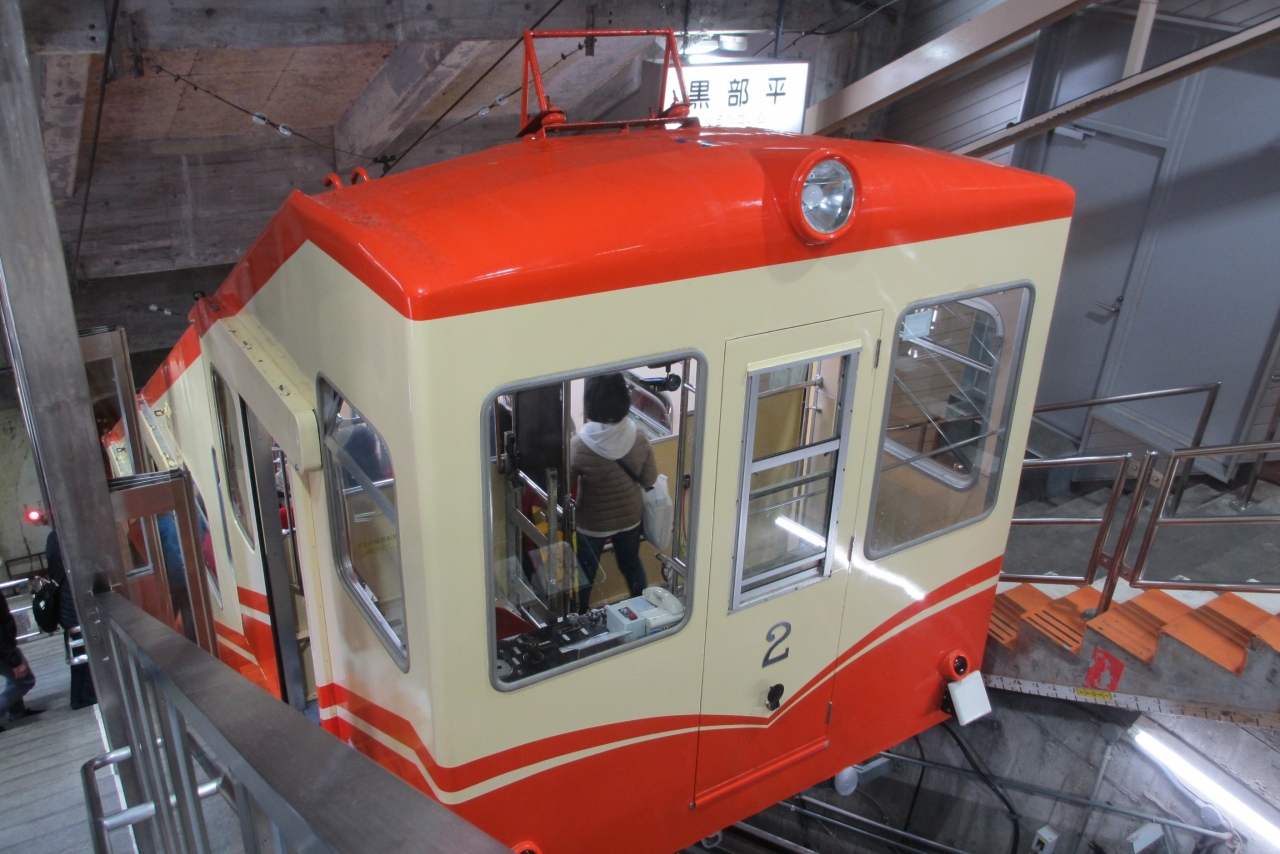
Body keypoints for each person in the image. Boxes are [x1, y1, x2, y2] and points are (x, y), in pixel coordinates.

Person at [570, 373, 658, 613]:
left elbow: (566, 488)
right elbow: (649, 479)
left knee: (585, 574)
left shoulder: (579, 444)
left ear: (590, 402)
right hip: (630, 519)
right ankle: (643, 609)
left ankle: (580, 617)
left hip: (592, 523)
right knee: (631, 564)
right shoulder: (639, 437)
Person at [46, 529, 97, 709]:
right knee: (91, 651)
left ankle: (77, 698)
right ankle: (89, 697)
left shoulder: (54, 537)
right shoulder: (73, 538)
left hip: (64, 602)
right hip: (75, 602)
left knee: (78, 653)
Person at [0, 588, 41, 731]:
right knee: (25, 681)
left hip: (6, 646)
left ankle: (17, 712)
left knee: (14, 679)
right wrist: (15, 662)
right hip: (3, 650)